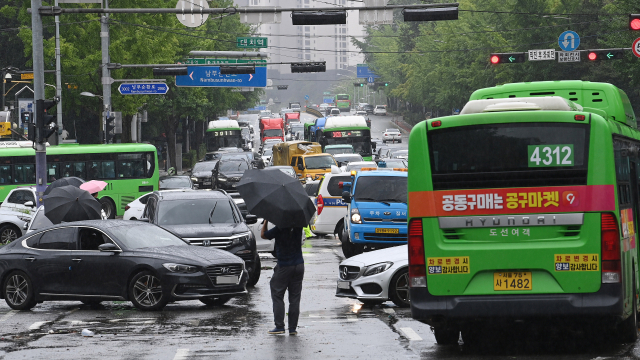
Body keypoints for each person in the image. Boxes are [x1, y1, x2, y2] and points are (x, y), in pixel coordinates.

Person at [261, 220, 304, 335]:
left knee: (277, 293)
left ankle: (279, 326)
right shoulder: (298, 225)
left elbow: (263, 235)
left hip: (284, 265)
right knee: (295, 298)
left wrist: (265, 222)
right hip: (299, 265)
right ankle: (292, 329)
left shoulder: (280, 227)